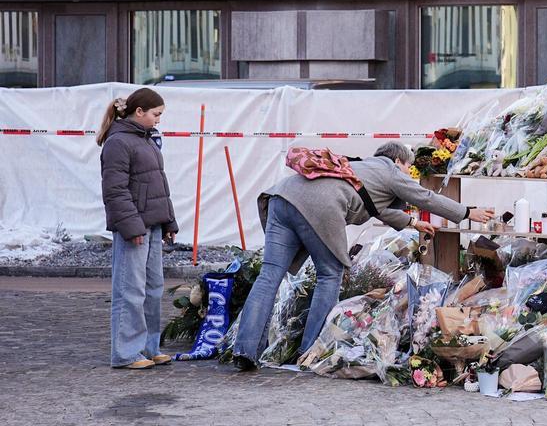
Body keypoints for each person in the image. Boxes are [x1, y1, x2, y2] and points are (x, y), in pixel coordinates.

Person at [233, 141, 494, 370]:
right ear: (397, 160)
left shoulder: (358, 166)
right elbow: (424, 196)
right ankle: (310, 350)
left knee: (268, 277)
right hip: (318, 205)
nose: (408, 174)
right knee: (330, 274)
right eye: (408, 168)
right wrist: (468, 213)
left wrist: (413, 224)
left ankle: (245, 350)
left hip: (281, 197)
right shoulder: (389, 170)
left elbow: (375, 207)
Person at [98, 88, 178, 370]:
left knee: (152, 289)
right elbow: (115, 190)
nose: (159, 120)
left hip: (152, 226)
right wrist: (131, 226)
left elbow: (159, 186)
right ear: (139, 112)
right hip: (134, 228)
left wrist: (169, 221)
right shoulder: (118, 143)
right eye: (156, 115)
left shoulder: (146, 140)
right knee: (129, 290)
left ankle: (148, 348)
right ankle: (125, 353)